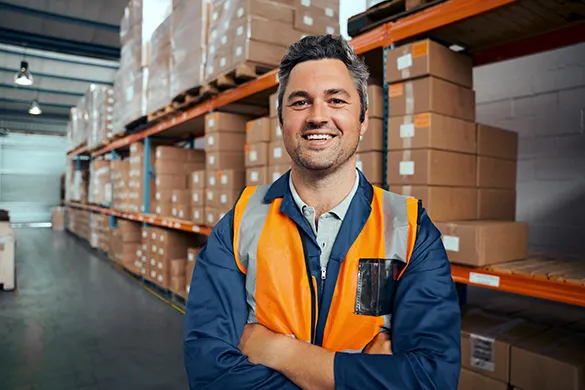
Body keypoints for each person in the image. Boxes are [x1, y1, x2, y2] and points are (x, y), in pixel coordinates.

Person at [183, 34, 461, 390]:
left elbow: (432, 379)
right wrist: (361, 374)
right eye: (300, 102)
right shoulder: (240, 223)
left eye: (336, 100)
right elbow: (210, 373)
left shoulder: (409, 229)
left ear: (362, 120)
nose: (318, 116)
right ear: (281, 121)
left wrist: (281, 352)